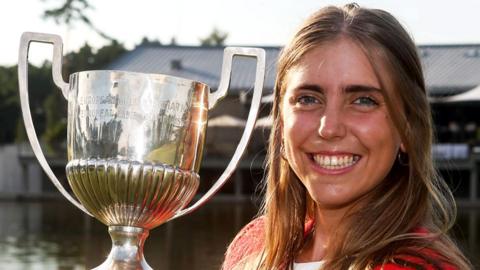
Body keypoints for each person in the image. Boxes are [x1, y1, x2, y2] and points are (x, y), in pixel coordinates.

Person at [222, 3, 473, 270]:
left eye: (364, 101)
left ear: (407, 129)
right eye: (308, 99)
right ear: (282, 122)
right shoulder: (253, 249)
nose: (329, 128)